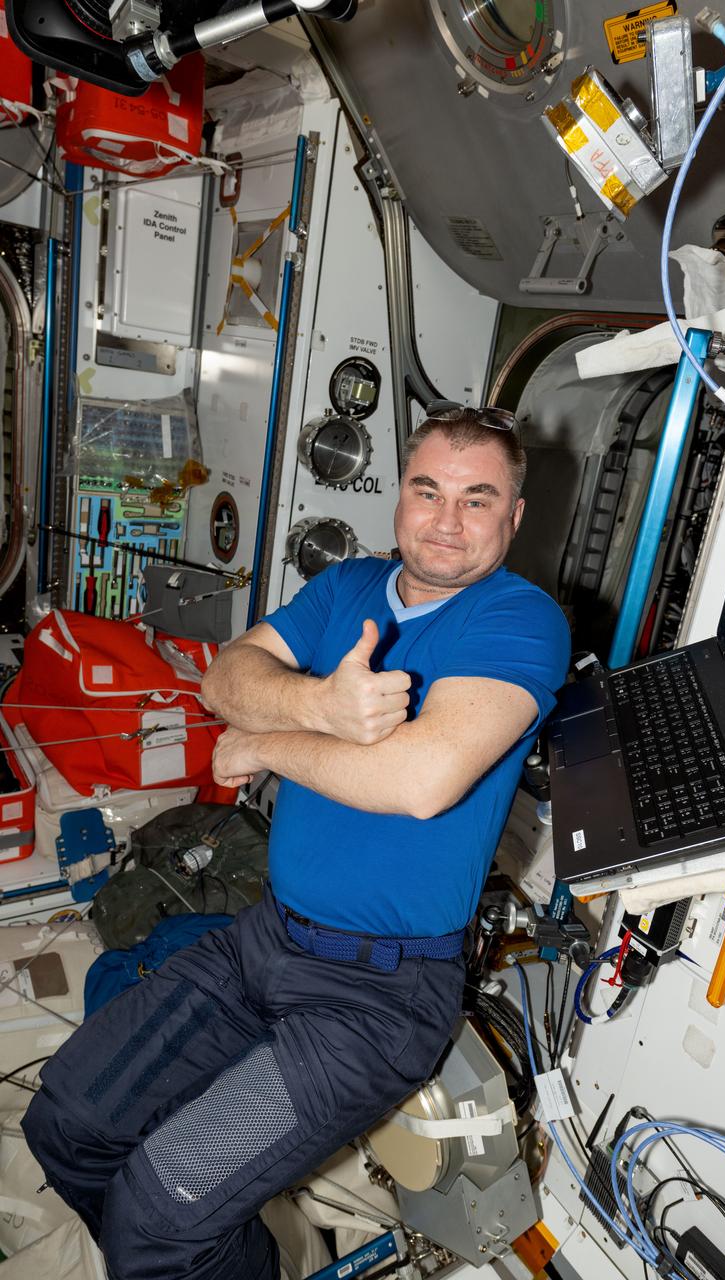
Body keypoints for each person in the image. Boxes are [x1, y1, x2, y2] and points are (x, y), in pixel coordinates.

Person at [22, 407, 570, 1280]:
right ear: (399, 495)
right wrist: (322, 708)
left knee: (162, 1213)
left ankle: (165, 1250)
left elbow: (418, 784)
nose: (445, 520)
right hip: (263, 942)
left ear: (514, 516)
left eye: (477, 499)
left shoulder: (517, 620)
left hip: (376, 997)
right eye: (427, 490)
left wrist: (265, 744)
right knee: (67, 1125)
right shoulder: (350, 587)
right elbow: (225, 674)